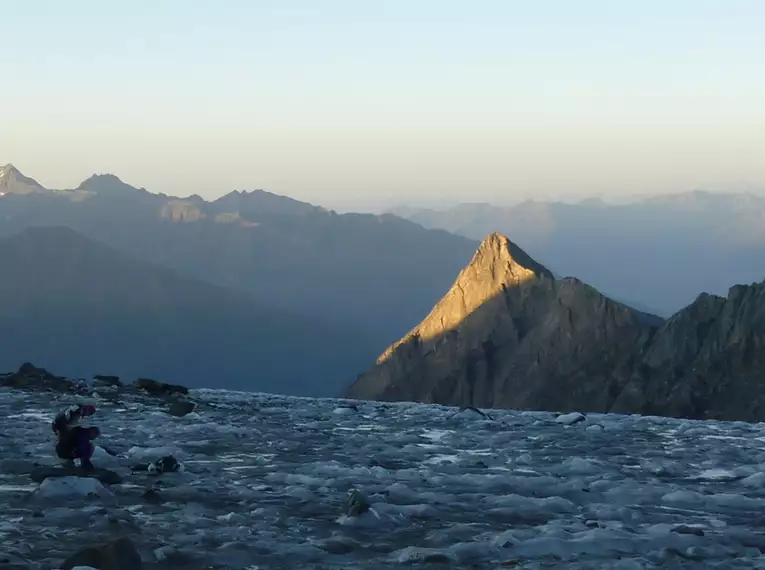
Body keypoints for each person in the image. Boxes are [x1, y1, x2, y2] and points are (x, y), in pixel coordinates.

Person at [51, 403, 98, 470]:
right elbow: (69, 423)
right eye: (89, 414)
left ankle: (67, 460)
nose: (87, 415)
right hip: (60, 426)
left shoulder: (76, 407)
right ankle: (68, 461)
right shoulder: (78, 411)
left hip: (57, 424)